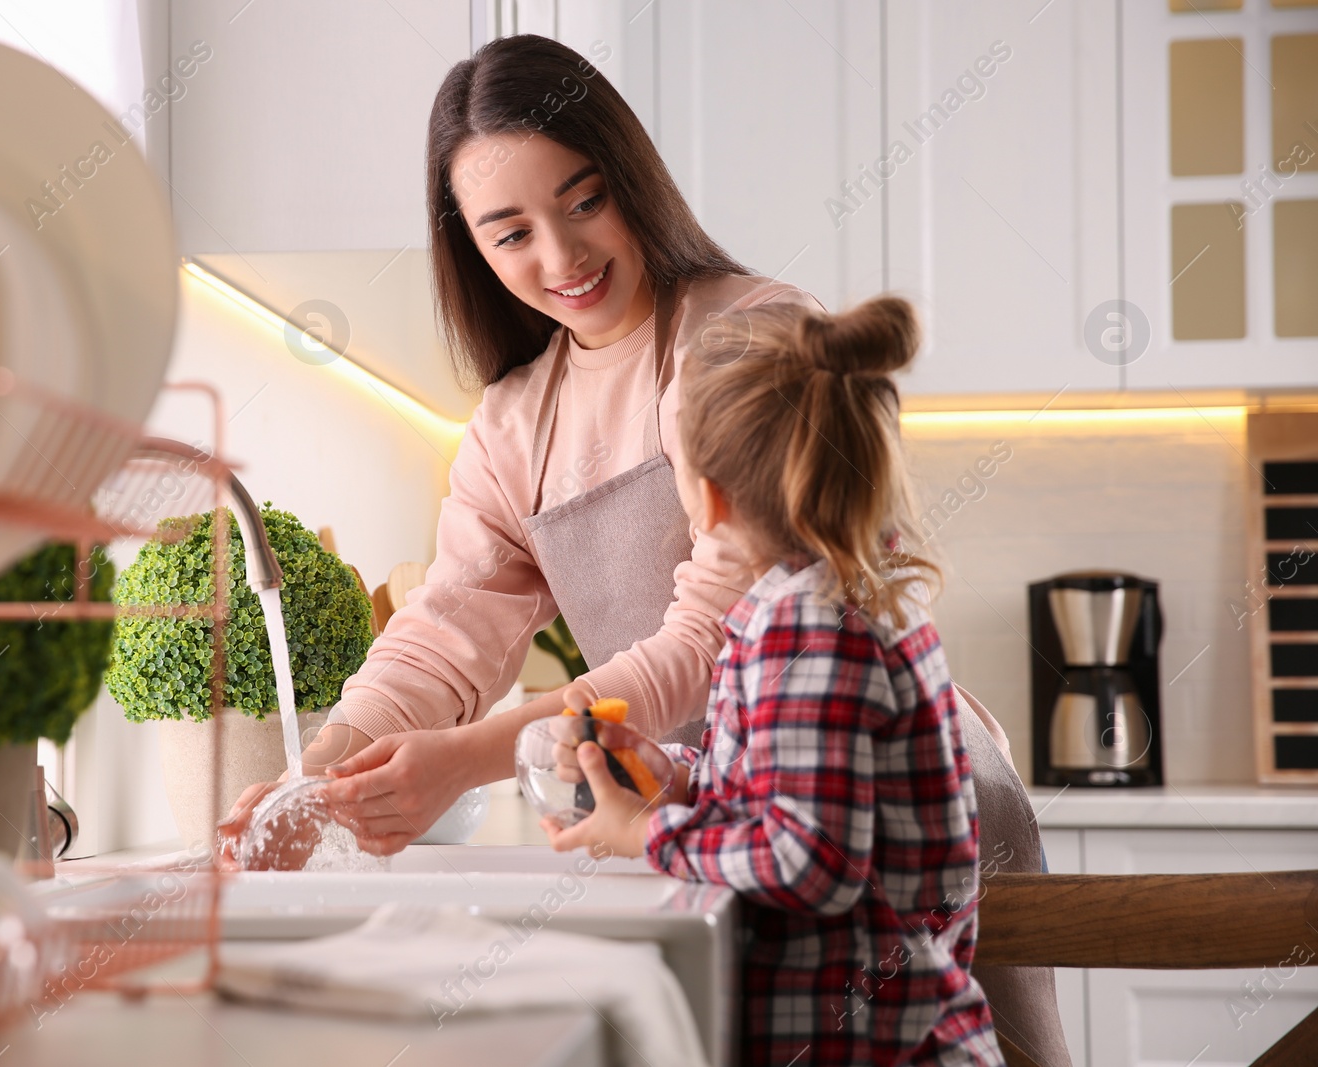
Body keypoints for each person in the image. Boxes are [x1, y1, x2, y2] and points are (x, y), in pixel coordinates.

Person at [218, 32, 823, 853]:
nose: (562, 255)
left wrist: (467, 758)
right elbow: (441, 637)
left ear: (633, 179)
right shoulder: (513, 425)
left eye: (585, 202)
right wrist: (316, 777)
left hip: (847, 794)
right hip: (690, 819)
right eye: (511, 234)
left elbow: (718, 636)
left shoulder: (753, 339)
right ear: (473, 249)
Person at [542, 297, 1005, 1065]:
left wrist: (646, 832)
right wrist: (680, 784)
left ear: (710, 497)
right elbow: (787, 796)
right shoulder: (814, 603)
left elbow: (811, 862)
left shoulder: (810, 625)